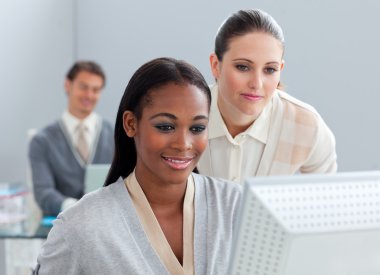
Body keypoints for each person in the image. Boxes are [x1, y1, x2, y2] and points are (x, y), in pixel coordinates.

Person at [33, 57, 241, 274]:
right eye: (165, 126)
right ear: (131, 124)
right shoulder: (80, 226)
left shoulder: (236, 205)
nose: (184, 144)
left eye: (197, 128)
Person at [197, 9, 338, 183]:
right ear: (216, 65)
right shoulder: (183, 116)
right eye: (242, 67)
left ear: (280, 69)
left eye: (270, 70)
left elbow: (325, 200)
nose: (257, 83)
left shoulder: (306, 126)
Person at [28, 61, 114, 216]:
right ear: (68, 85)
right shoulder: (42, 141)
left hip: (107, 226)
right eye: (83, 87)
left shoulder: (116, 136)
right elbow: (43, 192)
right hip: (61, 227)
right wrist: (74, 208)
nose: (89, 95)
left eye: (95, 90)